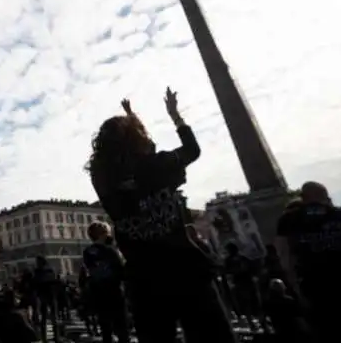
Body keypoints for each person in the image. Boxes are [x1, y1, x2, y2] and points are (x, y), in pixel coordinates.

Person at [85, 88, 236, 343]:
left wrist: (131, 121)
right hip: (185, 268)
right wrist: (175, 117)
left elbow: (137, 156)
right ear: (138, 139)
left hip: (144, 279)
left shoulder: (102, 180)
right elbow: (192, 150)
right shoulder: (159, 165)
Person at [275, 181, 341, 343]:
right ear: (325, 196)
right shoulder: (339, 215)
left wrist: (294, 287)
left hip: (314, 285)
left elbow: (284, 256)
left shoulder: (288, 220)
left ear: (303, 198)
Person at [81, 221, 129, 343]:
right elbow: (121, 269)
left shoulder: (87, 252)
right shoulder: (111, 250)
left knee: (105, 328)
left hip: (98, 292)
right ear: (103, 234)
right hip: (115, 291)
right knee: (121, 327)